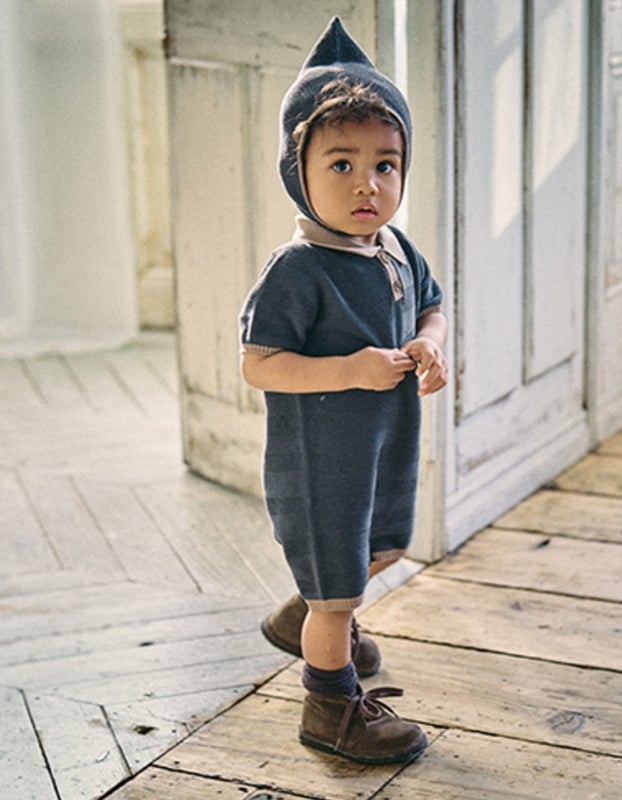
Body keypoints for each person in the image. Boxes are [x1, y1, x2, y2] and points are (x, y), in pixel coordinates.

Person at [239, 17, 448, 765]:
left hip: (383, 450)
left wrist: (430, 343)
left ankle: (304, 614)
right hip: (322, 462)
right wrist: (348, 370)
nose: (369, 184)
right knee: (341, 595)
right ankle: (329, 707)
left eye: (386, 164)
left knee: (381, 547)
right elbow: (260, 363)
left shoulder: (394, 248)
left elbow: (433, 305)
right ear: (298, 172)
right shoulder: (297, 271)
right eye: (341, 164)